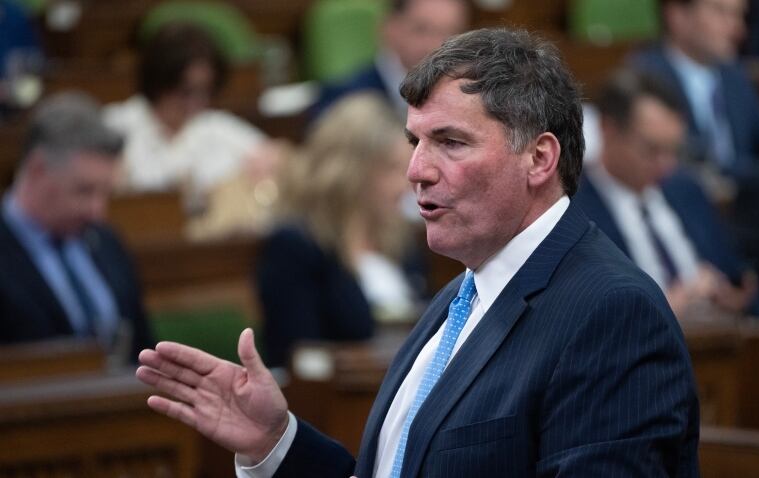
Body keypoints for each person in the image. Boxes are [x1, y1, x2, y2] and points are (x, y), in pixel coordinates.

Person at [137, 28, 699, 477]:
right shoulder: (462, 295)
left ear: (539, 158)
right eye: (416, 143)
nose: (416, 171)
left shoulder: (612, 314)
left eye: (450, 142)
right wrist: (276, 442)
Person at [573, 68, 759, 319]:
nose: (666, 164)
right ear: (608, 130)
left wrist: (732, 297)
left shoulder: (686, 190)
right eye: (652, 150)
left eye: (673, 150)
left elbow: (743, 282)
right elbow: (585, 317)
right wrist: (670, 306)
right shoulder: (575, 211)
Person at [258, 92, 417, 370]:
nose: (405, 185)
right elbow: (300, 358)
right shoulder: (296, 247)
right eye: (392, 169)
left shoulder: (402, 238)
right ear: (351, 170)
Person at [0, 92, 152, 360]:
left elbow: (144, 349)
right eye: (84, 191)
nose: (98, 210)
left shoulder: (106, 242)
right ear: (38, 170)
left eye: (106, 192)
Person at [103, 22, 278, 199]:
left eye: (205, 91)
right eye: (186, 91)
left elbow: (277, 155)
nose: (197, 102)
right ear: (159, 83)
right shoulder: (118, 125)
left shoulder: (213, 125)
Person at [630, 0, 759, 178]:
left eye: (740, 15)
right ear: (677, 16)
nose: (739, 30)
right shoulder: (644, 77)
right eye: (721, 12)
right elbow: (689, 164)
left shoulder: (736, 76)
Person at [313, 0, 470, 121]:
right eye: (421, 30)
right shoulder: (343, 99)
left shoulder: (467, 98)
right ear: (390, 28)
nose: (436, 45)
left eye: (450, 33)